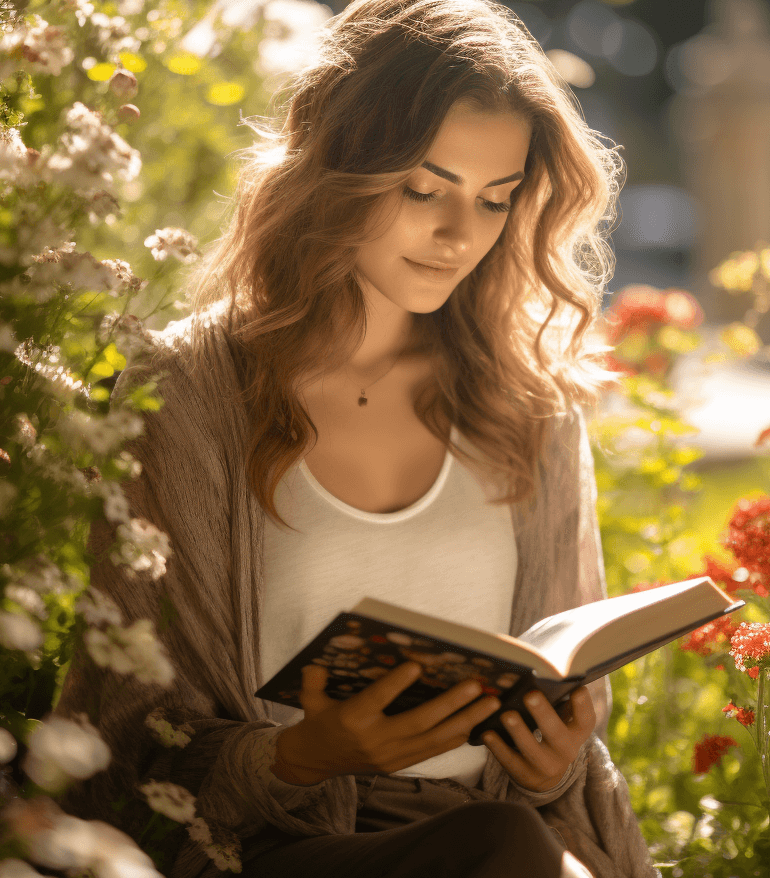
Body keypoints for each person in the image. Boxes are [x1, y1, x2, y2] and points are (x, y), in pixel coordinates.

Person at [55, 1, 656, 876]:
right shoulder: (187, 391)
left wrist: (551, 762)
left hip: (489, 836)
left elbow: (558, 711)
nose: (460, 237)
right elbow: (126, 731)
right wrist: (303, 757)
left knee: (509, 844)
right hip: (273, 845)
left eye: (495, 200)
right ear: (339, 167)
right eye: (425, 190)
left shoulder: (529, 402)